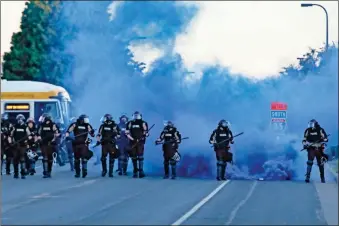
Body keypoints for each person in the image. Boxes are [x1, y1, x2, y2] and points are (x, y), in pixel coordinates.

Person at [302, 119, 328, 183]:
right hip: (311, 148)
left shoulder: (320, 130)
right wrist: (305, 144)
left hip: (319, 148)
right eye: (310, 124)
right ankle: (307, 177)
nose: (311, 125)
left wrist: (324, 139)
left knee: (320, 163)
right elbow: (304, 139)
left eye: (312, 124)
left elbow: (326, 138)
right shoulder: (307, 130)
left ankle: (322, 178)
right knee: (309, 162)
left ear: (315, 124)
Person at [126, 111, 149, 178]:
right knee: (134, 157)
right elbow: (127, 133)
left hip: (140, 142)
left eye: (137, 115)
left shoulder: (143, 122)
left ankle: (141, 171)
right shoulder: (130, 123)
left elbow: (146, 132)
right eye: (135, 115)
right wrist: (132, 139)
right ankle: (135, 171)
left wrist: (146, 135)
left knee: (140, 157)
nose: (136, 116)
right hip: (132, 142)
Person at [37, 113, 60, 178]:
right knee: (45, 158)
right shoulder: (41, 125)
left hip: (51, 144)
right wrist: (39, 138)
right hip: (44, 144)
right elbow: (38, 133)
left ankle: (49, 171)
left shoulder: (53, 125)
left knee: (50, 159)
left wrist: (55, 137)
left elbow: (57, 133)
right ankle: (46, 172)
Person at [11, 114, 30, 179]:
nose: (20, 120)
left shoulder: (25, 127)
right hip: (16, 145)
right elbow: (12, 135)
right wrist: (13, 142)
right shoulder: (15, 126)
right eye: (19, 119)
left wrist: (26, 141)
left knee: (22, 159)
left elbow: (29, 135)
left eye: (21, 119)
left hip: (23, 145)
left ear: (23, 120)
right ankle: (16, 174)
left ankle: (23, 173)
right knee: (15, 159)